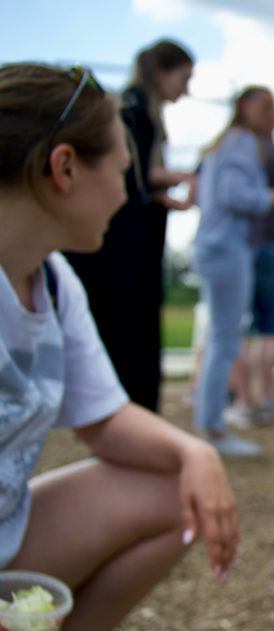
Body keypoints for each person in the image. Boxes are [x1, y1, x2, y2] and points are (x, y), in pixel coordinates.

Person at [0, 64, 240, 631]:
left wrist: (196, 454)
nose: (132, 193)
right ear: (64, 167)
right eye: (125, 171)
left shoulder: (51, 279)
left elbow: (103, 419)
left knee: (174, 490)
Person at [65, 40, 195, 413]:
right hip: (120, 251)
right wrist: (180, 178)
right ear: (161, 72)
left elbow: (140, 184)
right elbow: (130, 178)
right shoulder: (129, 111)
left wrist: (168, 192)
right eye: (183, 78)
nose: (186, 89)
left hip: (133, 247)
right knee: (122, 331)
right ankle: (122, 415)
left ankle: (132, 414)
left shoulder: (141, 114)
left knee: (132, 329)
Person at [191, 86, 274, 457]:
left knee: (221, 340)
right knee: (225, 342)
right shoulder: (242, 142)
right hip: (227, 248)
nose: (273, 114)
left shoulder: (224, 143)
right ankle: (212, 427)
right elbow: (235, 196)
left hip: (216, 247)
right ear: (244, 106)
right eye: (266, 106)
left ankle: (211, 421)